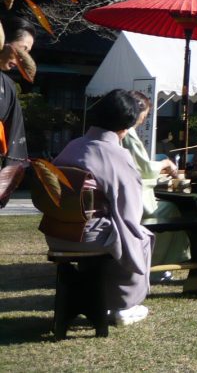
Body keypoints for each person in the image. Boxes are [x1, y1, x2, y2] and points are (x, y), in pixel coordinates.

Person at [47, 89, 153, 326]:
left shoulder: (72, 146)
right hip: (89, 237)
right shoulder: (116, 154)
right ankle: (123, 305)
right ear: (126, 125)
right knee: (139, 236)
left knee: (118, 231)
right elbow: (130, 211)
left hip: (56, 233)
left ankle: (97, 298)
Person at [121, 92, 188, 272]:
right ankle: (160, 261)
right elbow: (145, 168)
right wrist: (165, 163)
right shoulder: (127, 133)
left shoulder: (122, 132)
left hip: (128, 195)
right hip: (134, 200)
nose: (144, 119)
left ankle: (164, 259)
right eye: (145, 114)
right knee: (172, 210)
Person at [0, 15, 35, 165]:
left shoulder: (8, 86)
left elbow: (14, 132)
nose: (23, 58)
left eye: (28, 52)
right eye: (23, 49)